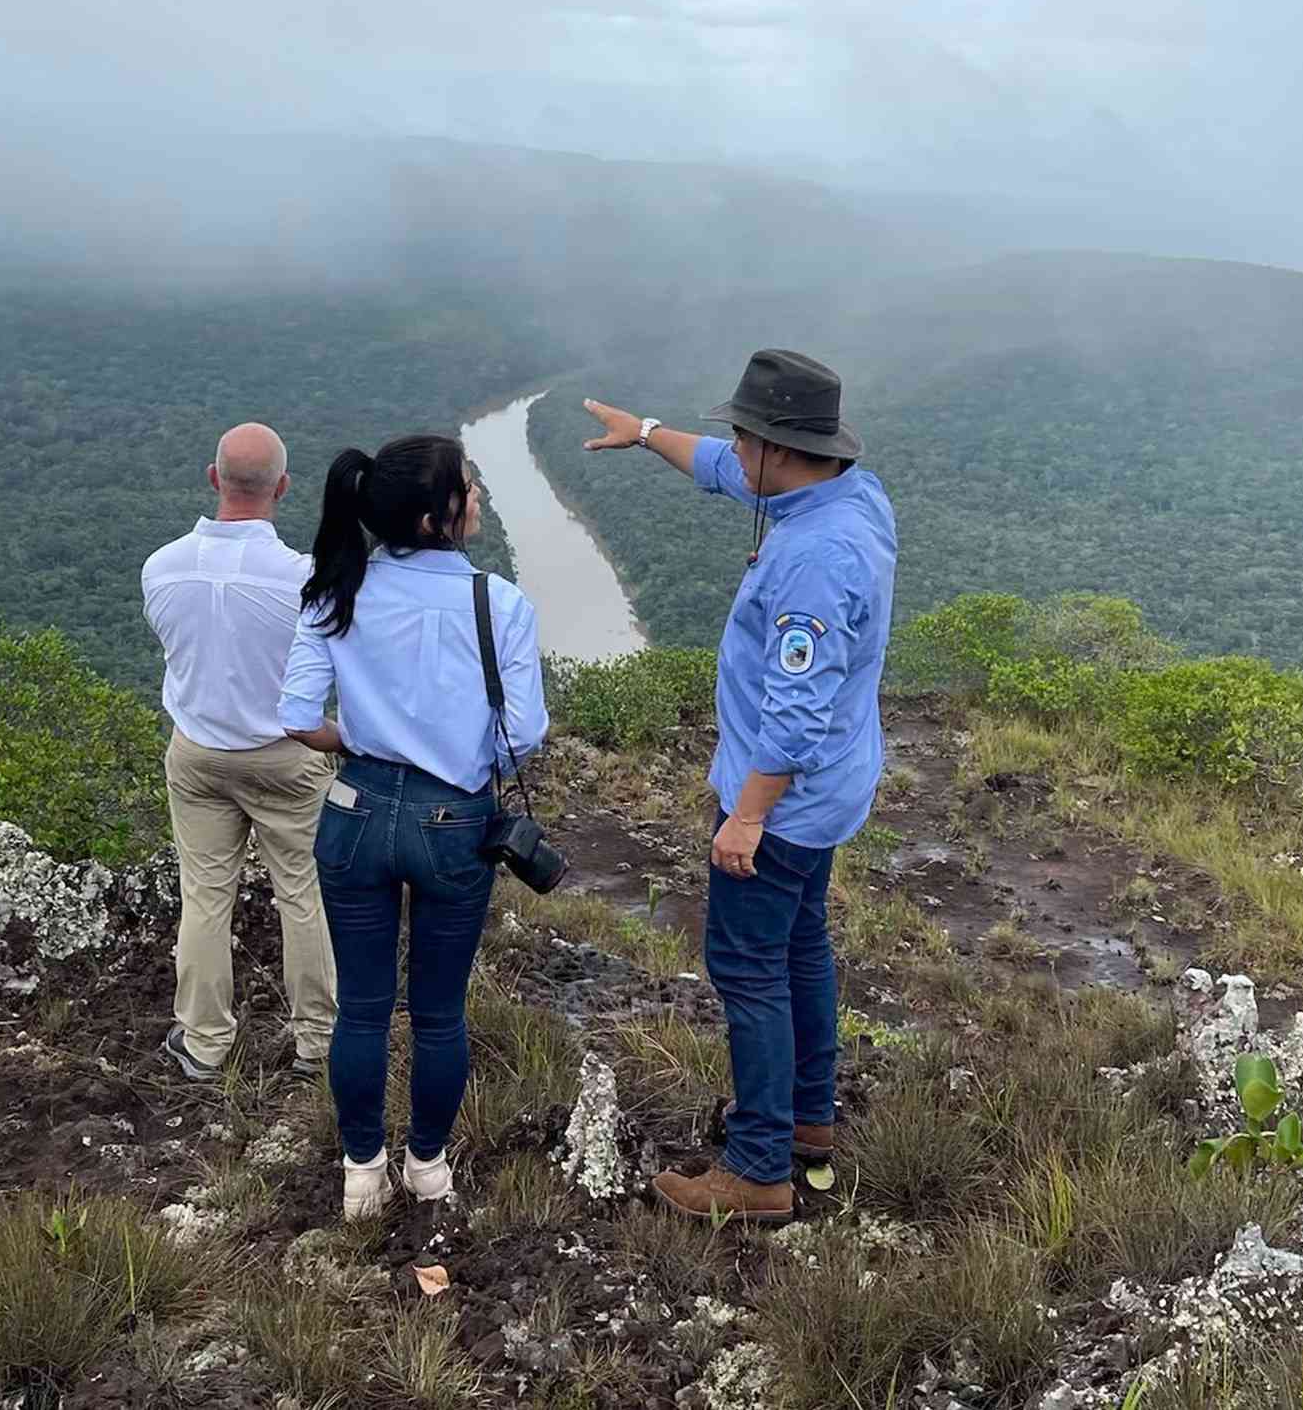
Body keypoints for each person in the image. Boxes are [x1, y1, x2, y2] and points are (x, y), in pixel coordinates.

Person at [582, 349, 897, 1222]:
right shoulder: (847, 494)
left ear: (776, 448)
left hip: (785, 801)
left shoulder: (814, 559)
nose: (731, 449)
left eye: (741, 436)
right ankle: (808, 1119)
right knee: (801, 947)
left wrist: (746, 818)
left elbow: (794, 714)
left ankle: (757, 1170)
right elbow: (723, 471)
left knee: (748, 969)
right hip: (831, 789)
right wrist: (644, 434)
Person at [279, 434, 548, 1220]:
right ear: (440, 517)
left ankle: (362, 1172)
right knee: (437, 1012)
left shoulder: (337, 591)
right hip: (451, 820)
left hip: (354, 813)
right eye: (472, 484)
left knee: (362, 1008)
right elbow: (524, 733)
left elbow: (298, 718)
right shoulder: (499, 604)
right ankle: (427, 1166)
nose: (481, 494)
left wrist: (361, 738)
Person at [141, 422, 338, 1082]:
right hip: (285, 755)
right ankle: (316, 1044)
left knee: (204, 897)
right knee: (303, 897)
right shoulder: (307, 580)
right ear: (282, 487)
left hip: (197, 754)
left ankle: (204, 1041)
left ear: (212, 478)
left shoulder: (161, 568)